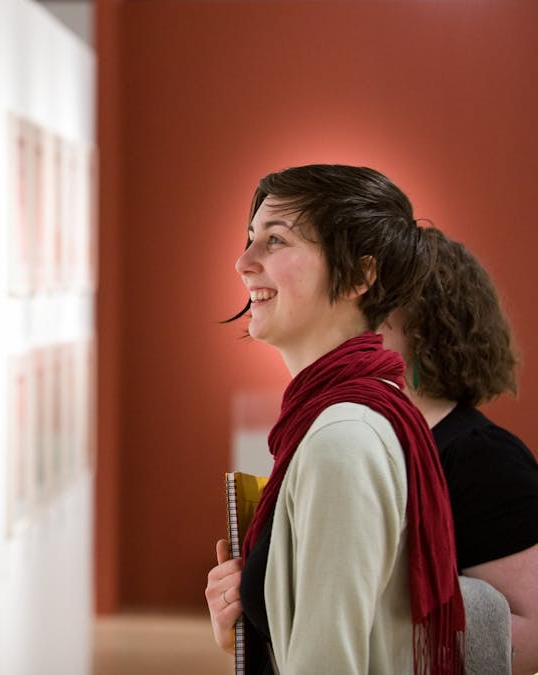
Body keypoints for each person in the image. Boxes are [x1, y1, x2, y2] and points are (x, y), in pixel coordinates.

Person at [205, 165, 464, 673]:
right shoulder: (350, 413)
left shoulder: (342, 439)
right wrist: (250, 623)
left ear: (360, 277)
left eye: (275, 240)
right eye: (251, 238)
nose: (243, 262)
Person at [379, 228, 538, 674]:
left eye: (378, 301)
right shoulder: (370, 441)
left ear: (429, 319)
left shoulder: (486, 459)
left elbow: (532, 637)